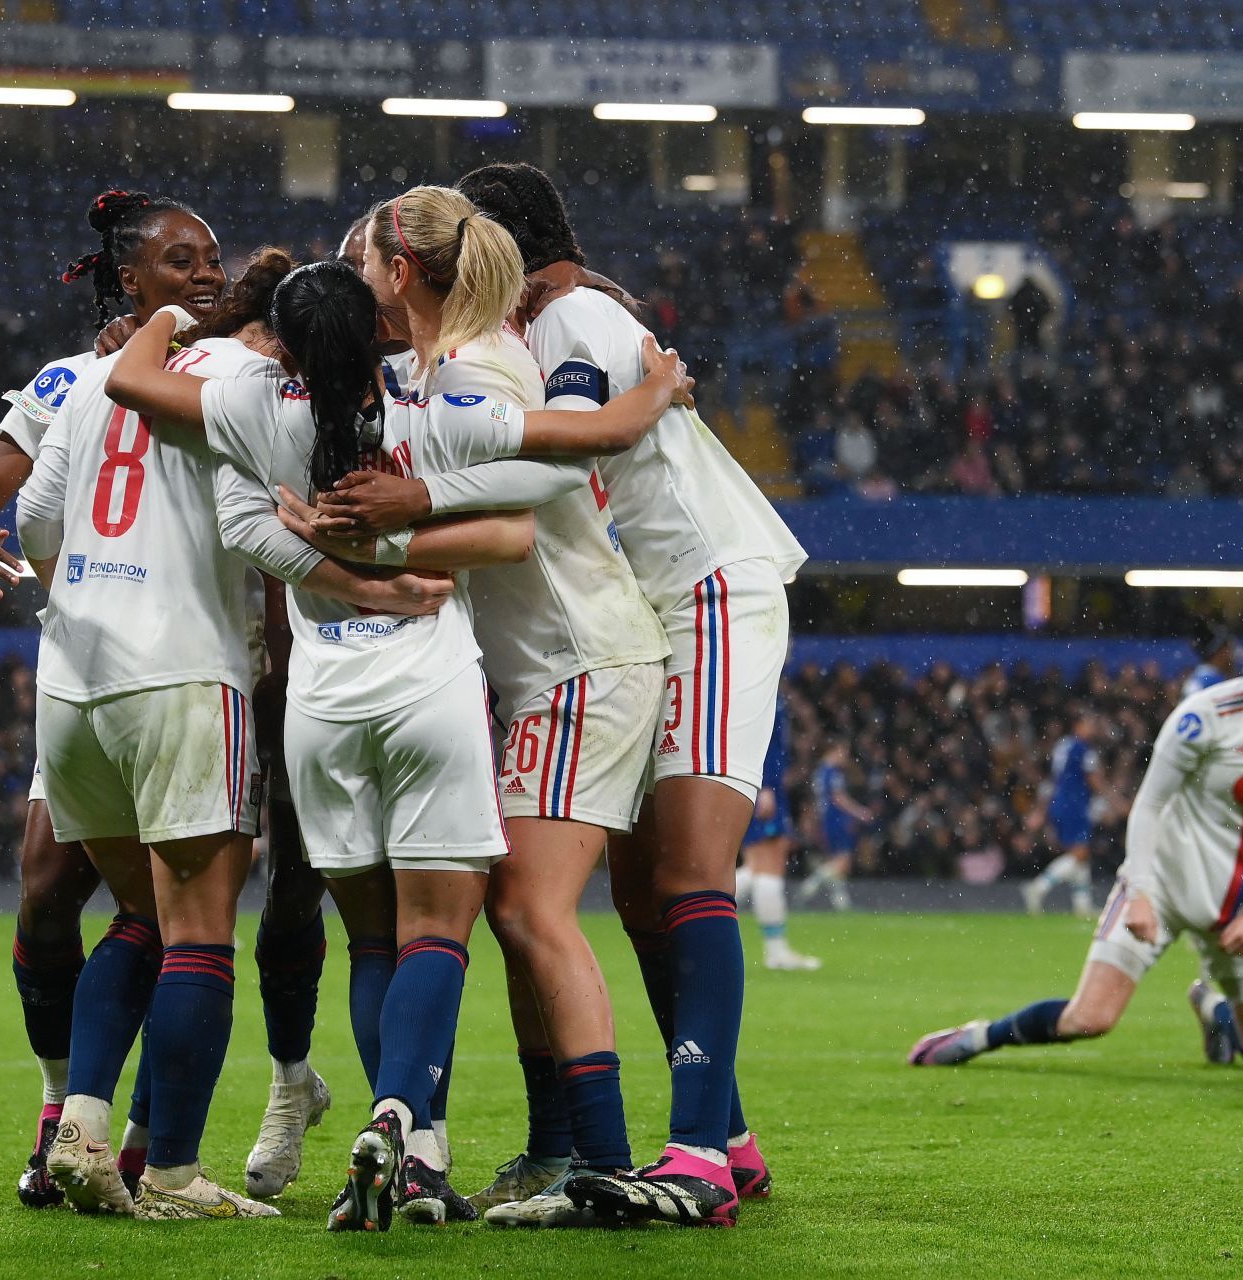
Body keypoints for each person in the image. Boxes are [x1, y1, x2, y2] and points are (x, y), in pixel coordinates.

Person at [102, 258, 691, 1232]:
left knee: (370, 937)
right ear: (380, 336)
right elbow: (583, 450)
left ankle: (394, 1141)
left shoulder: (254, 405)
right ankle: (408, 1135)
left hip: (323, 702)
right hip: (427, 682)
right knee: (435, 933)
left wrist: (168, 310)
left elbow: (132, 379)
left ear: (284, 346)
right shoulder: (432, 408)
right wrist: (658, 385)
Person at [444, 162, 806, 1227]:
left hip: (706, 588)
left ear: (500, 252)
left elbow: (559, 465)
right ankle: (726, 1136)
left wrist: (419, 489)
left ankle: (692, 1150)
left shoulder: (579, 319)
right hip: (653, 613)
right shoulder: (562, 322)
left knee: (691, 872)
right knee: (644, 893)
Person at [0, 190, 308, 1211]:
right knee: (181, 924)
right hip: (182, 671)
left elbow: (41, 514)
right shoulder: (250, 379)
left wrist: (87, 597)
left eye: (214, 260)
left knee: (138, 917)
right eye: (180, 260)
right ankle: (163, 1159)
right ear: (129, 277)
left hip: (83, 679)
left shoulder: (99, 378)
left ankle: (94, 1133)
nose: (202, 273)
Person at [343, 186, 671, 1227]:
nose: (356, 278)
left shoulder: (479, 365)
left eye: (363, 260)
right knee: (513, 908)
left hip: (585, 657)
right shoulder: (445, 366)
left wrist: (390, 526)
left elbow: (526, 514)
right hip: (549, 667)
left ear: (403, 272)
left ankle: (604, 1161)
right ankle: (560, 1146)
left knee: (530, 906)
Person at [909, 544, 1243, 1072]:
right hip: (1167, 884)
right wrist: (1144, 893)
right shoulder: (1206, 716)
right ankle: (979, 1037)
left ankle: (1218, 1012)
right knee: (1090, 1019)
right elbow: (1149, 804)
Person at [736, 692, 817, 970]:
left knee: (757, 866)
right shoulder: (762, 688)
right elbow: (762, 741)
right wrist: (767, 784)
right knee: (768, 864)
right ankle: (776, 950)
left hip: (759, 783)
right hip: (762, 786)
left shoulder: (760, 686)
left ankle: (688, 914)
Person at [1021, 712, 1124, 919]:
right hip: (1074, 804)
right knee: (1080, 853)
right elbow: (1094, 780)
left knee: (1081, 855)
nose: (1091, 728)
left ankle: (1082, 904)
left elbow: (1055, 777)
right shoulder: (1083, 749)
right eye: (1088, 724)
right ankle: (1038, 887)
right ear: (1077, 725)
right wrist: (1116, 802)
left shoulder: (1063, 745)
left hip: (1060, 802)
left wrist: (1042, 809)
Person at [800, 740, 872, 914]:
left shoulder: (819, 772)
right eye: (843, 752)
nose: (845, 757)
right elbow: (838, 798)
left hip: (826, 820)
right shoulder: (833, 773)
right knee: (843, 862)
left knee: (836, 862)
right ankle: (811, 884)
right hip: (836, 819)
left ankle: (841, 903)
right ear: (833, 751)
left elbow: (818, 800)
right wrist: (859, 812)